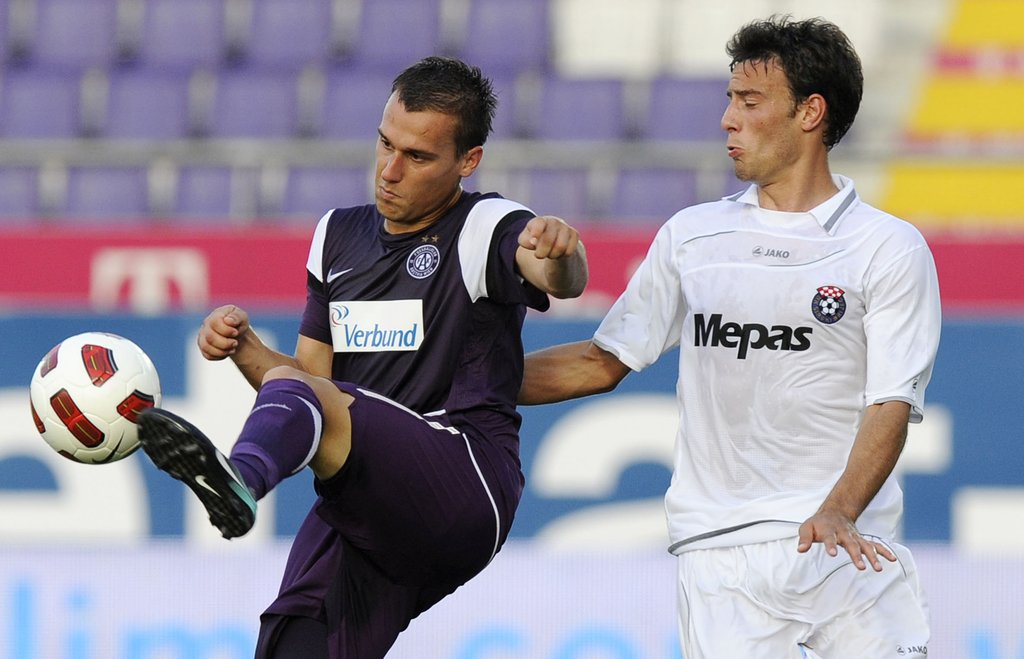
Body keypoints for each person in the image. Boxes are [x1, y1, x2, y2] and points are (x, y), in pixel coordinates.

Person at [137, 56, 588, 658]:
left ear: (468, 161)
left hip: (463, 479)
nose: (389, 170)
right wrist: (245, 350)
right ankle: (237, 485)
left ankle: (239, 479)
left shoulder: (485, 225)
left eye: (417, 157)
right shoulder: (336, 236)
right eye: (385, 144)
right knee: (292, 639)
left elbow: (558, 278)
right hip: (367, 502)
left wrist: (562, 253)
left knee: (305, 402)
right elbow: (313, 386)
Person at [519, 16, 939, 659]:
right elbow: (601, 363)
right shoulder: (693, 236)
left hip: (846, 546)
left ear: (810, 113)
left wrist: (839, 509)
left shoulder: (888, 247)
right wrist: (453, 378)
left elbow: (891, 402)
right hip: (722, 561)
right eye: (729, 100)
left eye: (749, 102)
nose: (727, 120)